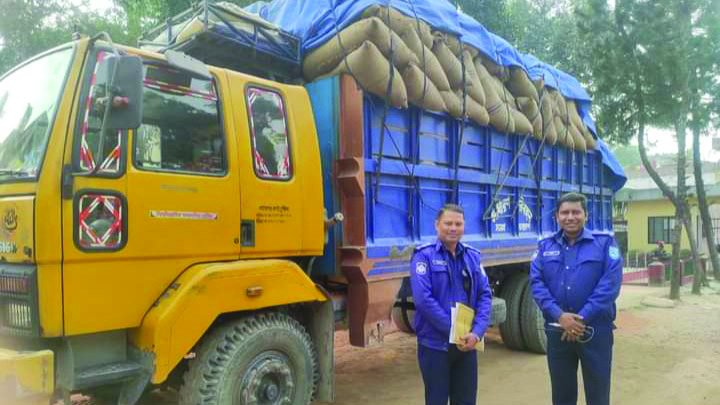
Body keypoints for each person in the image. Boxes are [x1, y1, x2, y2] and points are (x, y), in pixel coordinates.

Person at [530, 192, 623, 405]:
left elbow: (610, 286)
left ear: (586, 215)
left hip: (594, 331)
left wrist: (580, 319)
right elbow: (537, 285)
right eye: (565, 212)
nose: (570, 217)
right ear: (556, 216)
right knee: (562, 395)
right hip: (558, 330)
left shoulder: (605, 244)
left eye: (576, 212)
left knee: (598, 394)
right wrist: (560, 317)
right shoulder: (545, 247)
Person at [410, 203, 493, 405]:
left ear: (464, 226)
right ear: (437, 225)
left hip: (467, 344)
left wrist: (477, 332)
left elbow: (485, 295)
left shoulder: (473, 256)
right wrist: (454, 331)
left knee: (465, 400)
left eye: (458, 223)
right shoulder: (424, 256)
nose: (453, 228)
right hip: (435, 346)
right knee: (436, 400)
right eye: (448, 223)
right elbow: (423, 299)